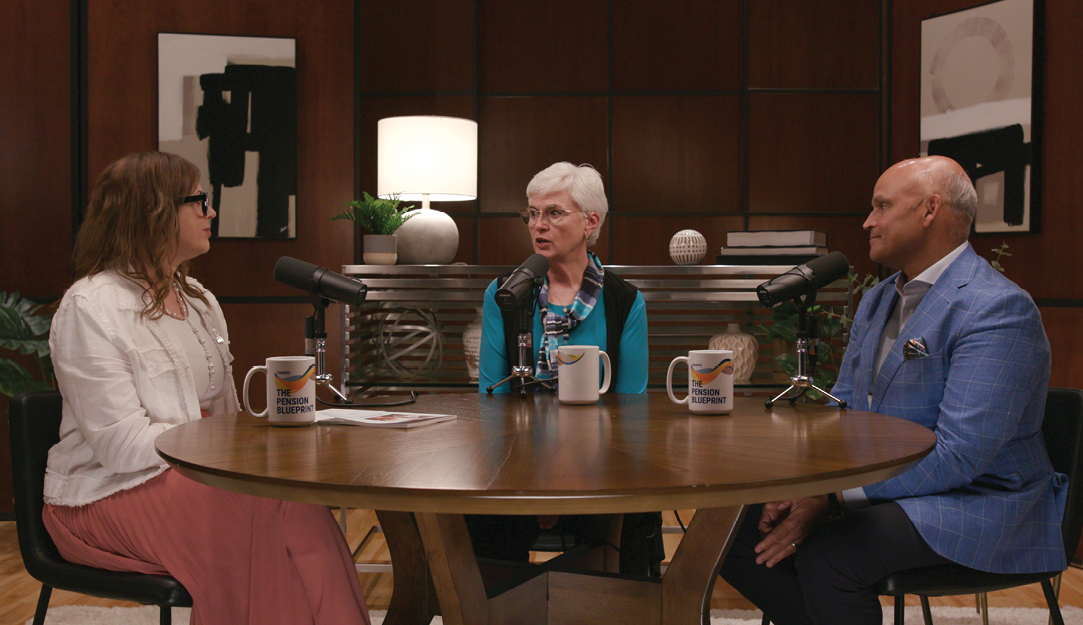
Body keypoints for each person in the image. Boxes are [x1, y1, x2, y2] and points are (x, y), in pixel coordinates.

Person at [719, 156, 1066, 625]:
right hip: (892, 491)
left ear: (929, 211)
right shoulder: (880, 298)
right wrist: (808, 490)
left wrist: (833, 501)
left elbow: (961, 455)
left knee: (832, 555)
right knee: (727, 529)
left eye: (882, 206)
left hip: (986, 502)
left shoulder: (997, 309)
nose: (868, 221)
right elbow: (845, 408)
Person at [43, 152, 371, 625]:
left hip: (193, 478)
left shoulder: (199, 300)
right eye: (198, 201)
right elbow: (119, 447)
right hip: (101, 495)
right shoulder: (90, 306)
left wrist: (255, 445)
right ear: (153, 211)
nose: (210, 211)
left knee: (290, 496)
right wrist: (221, 441)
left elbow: (228, 415)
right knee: (246, 507)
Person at [471, 161, 660, 575]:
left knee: (632, 522)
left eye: (554, 213)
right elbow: (492, 401)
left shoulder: (625, 301)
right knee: (484, 526)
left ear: (591, 222)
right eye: (532, 214)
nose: (539, 225)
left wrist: (569, 479)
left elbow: (630, 411)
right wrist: (535, 482)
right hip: (515, 465)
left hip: (601, 465)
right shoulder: (505, 293)